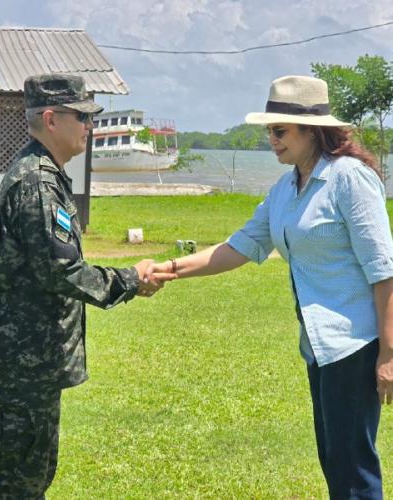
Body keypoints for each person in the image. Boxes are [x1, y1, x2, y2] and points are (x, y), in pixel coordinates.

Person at [148, 75, 393, 499]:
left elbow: (384, 270)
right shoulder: (285, 189)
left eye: (279, 131)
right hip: (320, 346)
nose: (271, 139)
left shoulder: (349, 179)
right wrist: (167, 268)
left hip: (355, 345)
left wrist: (389, 354)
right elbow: (238, 247)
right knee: (336, 462)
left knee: (353, 470)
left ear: (311, 130)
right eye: (269, 131)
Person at [0, 73, 164, 499]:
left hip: (28, 360)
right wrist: (129, 280)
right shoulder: (38, 182)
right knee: (16, 482)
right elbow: (61, 270)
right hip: (19, 362)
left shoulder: (44, 173)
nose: (90, 126)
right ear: (51, 119)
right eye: (81, 117)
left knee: (29, 474)